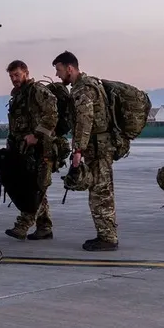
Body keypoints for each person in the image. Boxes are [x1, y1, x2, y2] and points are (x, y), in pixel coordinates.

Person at [53, 51, 117, 251]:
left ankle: (108, 238)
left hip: (97, 148)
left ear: (69, 68)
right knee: (101, 190)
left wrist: (78, 150)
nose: (57, 75)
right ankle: (106, 234)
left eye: (59, 70)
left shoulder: (83, 89)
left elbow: (84, 120)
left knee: (100, 192)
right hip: (99, 146)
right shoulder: (89, 84)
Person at [4, 60, 58, 241]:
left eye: (17, 75)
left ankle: (22, 226)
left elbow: (52, 115)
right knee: (36, 187)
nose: (14, 79)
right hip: (25, 150)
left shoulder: (37, 91)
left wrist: (37, 135)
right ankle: (44, 227)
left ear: (26, 73)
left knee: (35, 188)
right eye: (11, 76)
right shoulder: (19, 95)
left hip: (42, 149)